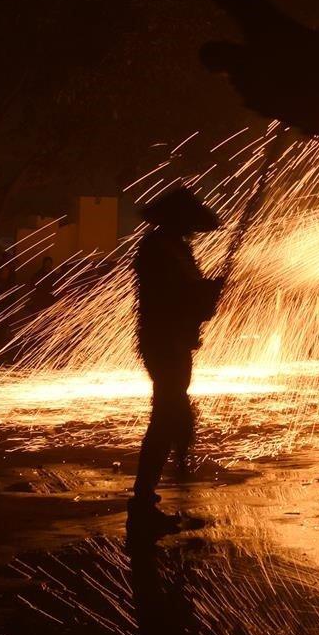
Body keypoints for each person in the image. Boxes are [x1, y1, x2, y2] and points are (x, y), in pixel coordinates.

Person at [129, 187, 223, 538]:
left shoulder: (173, 247)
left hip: (172, 341)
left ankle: (153, 492)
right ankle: (142, 505)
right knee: (165, 417)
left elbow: (190, 297)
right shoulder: (160, 249)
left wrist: (206, 293)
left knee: (172, 412)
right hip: (164, 342)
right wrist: (204, 293)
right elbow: (176, 296)